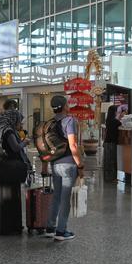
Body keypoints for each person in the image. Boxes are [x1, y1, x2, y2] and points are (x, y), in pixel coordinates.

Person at [44, 95, 83, 241]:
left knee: (56, 196)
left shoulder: (50, 123)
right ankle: (61, 231)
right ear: (64, 106)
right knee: (65, 198)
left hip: (55, 164)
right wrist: (80, 164)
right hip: (67, 164)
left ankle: (50, 227)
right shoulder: (69, 121)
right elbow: (73, 145)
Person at [0, 109, 31, 235]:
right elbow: (15, 148)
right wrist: (24, 143)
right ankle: (11, 227)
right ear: (13, 120)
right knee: (11, 199)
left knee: (9, 199)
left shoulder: (4, 130)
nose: (21, 124)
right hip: (11, 169)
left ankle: (11, 226)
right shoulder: (9, 132)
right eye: (20, 121)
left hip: (6, 169)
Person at [103, 105, 125, 182]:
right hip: (112, 143)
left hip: (107, 142)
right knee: (112, 160)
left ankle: (107, 177)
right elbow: (122, 124)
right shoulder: (115, 121)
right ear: (114, 112)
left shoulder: (108, 120)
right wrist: (121, 116)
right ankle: (112, 178)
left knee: (107, 161)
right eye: (117, 111)